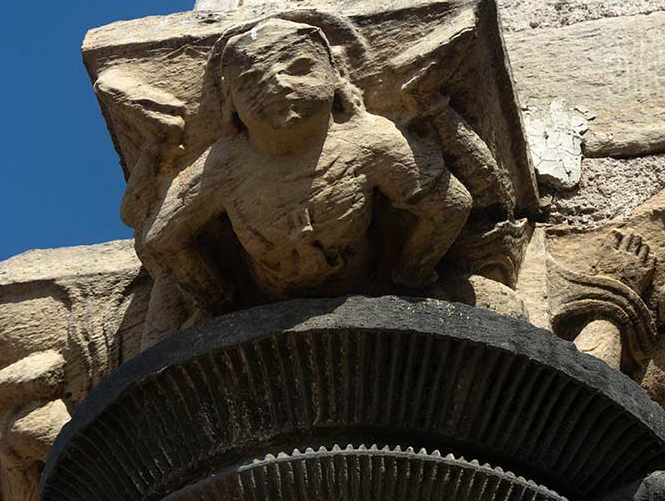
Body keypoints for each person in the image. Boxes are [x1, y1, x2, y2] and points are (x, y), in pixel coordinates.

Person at [136, 17, 472, 337]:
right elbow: (162, 241)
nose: (277, 84)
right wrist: (217, 297)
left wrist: (410, 275)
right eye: (250, 81)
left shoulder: (370, 141)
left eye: (298, 68)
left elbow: (451, 205)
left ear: (335, 73)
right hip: (259, 312)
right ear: (231, 103)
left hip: (372, 295)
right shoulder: (226, 164)